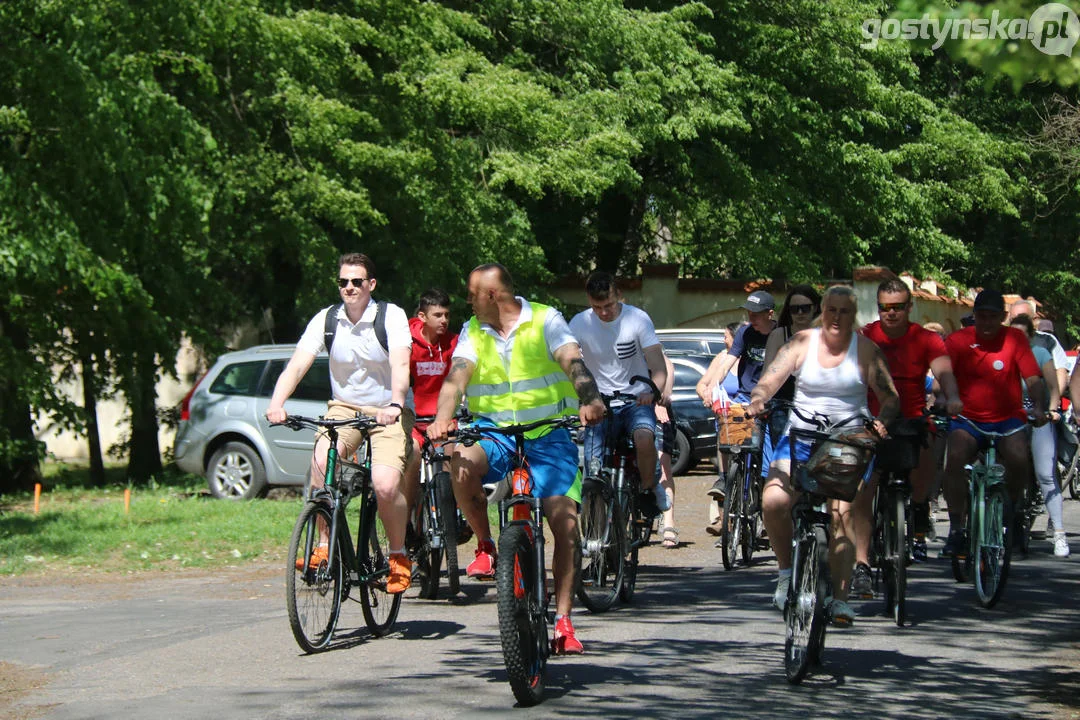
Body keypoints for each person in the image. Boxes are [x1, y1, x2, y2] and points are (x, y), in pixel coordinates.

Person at [427, 264, 605, 655]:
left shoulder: (545, 319)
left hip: (547, 434)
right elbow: (457, 377)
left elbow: (571, 361)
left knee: (565, 524)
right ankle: (487, 545)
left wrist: (589, 397)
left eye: (472, 294)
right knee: (459, 463)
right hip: (494, 433)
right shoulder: (475, 330)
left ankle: (563, 620)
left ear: (492, 295)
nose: (467, 302)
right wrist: (444, 417)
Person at [747, 286, 899, 627]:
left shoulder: (866, 351)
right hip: (801, 435)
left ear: (853, 315)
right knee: (773, 501)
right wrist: (759, 398)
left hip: (848, 439)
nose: (836, 317)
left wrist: (882, 422)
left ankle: (841, 599)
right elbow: (770, 379)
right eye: (831, 309)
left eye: (845, 311)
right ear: (822, 311)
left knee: (841, 514)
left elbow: (890, 397)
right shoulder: (802, 344)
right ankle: (786, 572)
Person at [266, 253, 415, 593]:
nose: (349, 288)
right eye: (343, 282)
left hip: (386, 410)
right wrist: (277, 403)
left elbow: (401, 365)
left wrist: (394, 403)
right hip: (344, 408)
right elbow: (297, 364)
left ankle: (397, 554)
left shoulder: (390, 316)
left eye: (356, 281)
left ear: (371, 285)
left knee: (385, 484)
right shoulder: (327, 319)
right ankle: (323, 544)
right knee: (321, 466)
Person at [849, 279, 963, 598]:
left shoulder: (925, 339)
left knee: (925, 460)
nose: (891, 313)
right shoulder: (866, 336)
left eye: (898, 307)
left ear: (909, 308)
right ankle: (861, 565)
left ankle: (919, 506)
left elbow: (944, 372)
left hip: (912, 419)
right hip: (871, 420)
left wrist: (952, 396)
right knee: (864, 487)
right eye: (885, 307)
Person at [941, 289, 1047, 558]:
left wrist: (1039, 406)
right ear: (974, 316)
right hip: (969, 418)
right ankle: (956, 527)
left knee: (1019, 456)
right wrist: (944, 398)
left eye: (992, 317)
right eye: (981, 316)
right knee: (954, 456)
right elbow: (943, 373)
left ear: (1002, 317)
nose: (986, 323)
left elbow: (1032, 378)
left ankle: (1011, 507)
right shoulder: (958, 340)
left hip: (1007, 418)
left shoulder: (1014, 340)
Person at [569, 271, 669, 517]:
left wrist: (653, 391)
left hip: (635, 399)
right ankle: (595, 523)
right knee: (592, 466)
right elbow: (569, 364)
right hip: (598, 402)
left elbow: (657, 365)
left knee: (644, 437)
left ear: (619, 296)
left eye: (609, 305)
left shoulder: (638, 319)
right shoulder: (579, 323)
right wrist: (581, 400)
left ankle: (649, 488)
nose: (604, 312)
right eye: (597, 307)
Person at [696, 291, 777, 514]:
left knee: (769, 462)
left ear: (770, 314)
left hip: (772, 401)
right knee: (732, 438)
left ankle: (764, 500)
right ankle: (727, 481)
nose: (752, 317)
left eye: (757, 313)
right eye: (749, 312)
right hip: (745, 397)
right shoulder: (744, 333)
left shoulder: (779, 334)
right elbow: (727, 362)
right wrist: (713, 387)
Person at [1009, 314, 1070, 557]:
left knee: (1046, 474)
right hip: (1009, 419)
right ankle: (1006, 527)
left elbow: (1054, 388)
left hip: (1038, 416)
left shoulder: (1040, 354)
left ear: (1030, 337)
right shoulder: (1002, 353)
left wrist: (1052, 410)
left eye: (1021, 336)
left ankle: (1059, 533)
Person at [403, 289, 458, 513]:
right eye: (437, 315)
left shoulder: (453, 342)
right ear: (422, 317)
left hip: (443, 419)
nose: (444, 320)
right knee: (412, 459)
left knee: (452, 458)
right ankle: (406, 521)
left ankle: (453, 514)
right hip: (414, 420)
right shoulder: (407, 343)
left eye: (446, 315)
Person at [704, 322, 743, 538]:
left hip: (750, 417)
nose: (723, 340)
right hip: (726, 419)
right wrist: (709, 395)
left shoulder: (753, 358)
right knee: (725, 476)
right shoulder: (722, 358)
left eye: (726, 336)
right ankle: (725, 524)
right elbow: (704, 385)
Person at [1009, 298, 1068, 397]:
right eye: (1014, 319)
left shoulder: (1048, 340)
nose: (1019, 323)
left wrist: (1052, 404)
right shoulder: (1001, 341)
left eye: (1023, 318)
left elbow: (1060, 372)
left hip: (1042, 403)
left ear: (1033, 319)